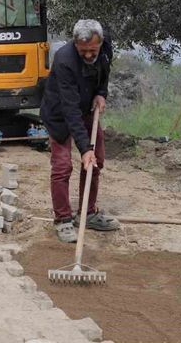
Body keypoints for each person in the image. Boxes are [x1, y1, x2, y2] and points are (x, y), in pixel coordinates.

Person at [40, 19, 120, 243]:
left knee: (96, 161)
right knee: (62, 166)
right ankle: (63, 220)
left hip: (86, 108)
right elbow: (70, 109)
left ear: (100, 42)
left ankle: (88, 213)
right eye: (83, 51)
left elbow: (104, 71)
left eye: (92, 50)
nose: (88, 55)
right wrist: (85, 149)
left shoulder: (105, 46)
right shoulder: (64, 60)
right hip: (60, 113)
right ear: (75, 44)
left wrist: (101, 93)